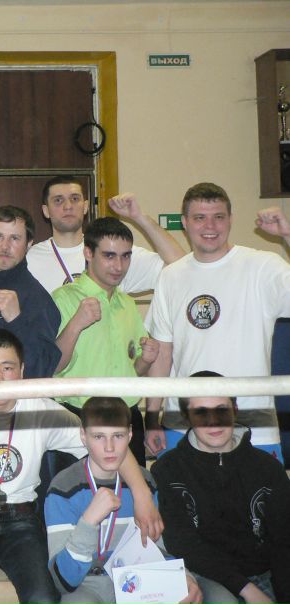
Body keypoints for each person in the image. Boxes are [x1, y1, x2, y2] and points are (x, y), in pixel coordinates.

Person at [0, 330, 163, 604]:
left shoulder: (41, 409)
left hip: (20, 522)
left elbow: (105, 443)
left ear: (22, 371)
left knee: (43, 598)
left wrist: (142, 494)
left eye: (7, 368)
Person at [145, 184, 290, 458]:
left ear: (230, 219)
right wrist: (152, 417)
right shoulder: (171, 276)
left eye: (218, 217)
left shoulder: (262, 267)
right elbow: (163, 352)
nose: (210, 226)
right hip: (182, 424)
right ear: (185, 222)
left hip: (252, 424)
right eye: (200, 217)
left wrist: (287, 234)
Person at [45, 397, 201, 604]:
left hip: (139, 582)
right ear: (83, 435)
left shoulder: (146, 482)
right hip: (86, 585)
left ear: (130, 434)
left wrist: (183, 576)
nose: (109, 447)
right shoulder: (63, 488)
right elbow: (63, 581)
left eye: (118, 436)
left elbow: (159, 548)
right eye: (98, 436)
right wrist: (88, 522)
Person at [151, 372, 290, 604]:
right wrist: (248, 590)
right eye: (201, 412)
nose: (213, 421)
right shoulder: (168, 470)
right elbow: (184, 544)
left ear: (235, 409)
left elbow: (283, 543)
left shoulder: (268, 468)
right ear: (186, 416)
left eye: (221, 409)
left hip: (263, 576)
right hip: (204, 578)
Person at [52, 217, 159, 466]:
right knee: (77, 489)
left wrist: (145, 360)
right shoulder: (62, 299)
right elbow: (52, 366)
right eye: (109, 256)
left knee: (133, 489)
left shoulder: (127, 304)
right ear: (88, 253)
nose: (119, 266)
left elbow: (133, 373)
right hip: (78, 417)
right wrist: (76, 324)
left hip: (126, 415)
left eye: (125, 256)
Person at [26, 177, 185, 294]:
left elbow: (181, 266)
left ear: (85, 206)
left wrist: (140, 217)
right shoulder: (30, 260)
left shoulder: (114, 253)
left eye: (75, 199)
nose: (68, 206)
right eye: (58, 200)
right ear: (46, 211)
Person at [0, 205, 61, 379]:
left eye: (15, 238)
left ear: (29, 244)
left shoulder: (39, 299)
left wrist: (16, 320)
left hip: (18, 395)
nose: (5, 246)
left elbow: (42, 370)